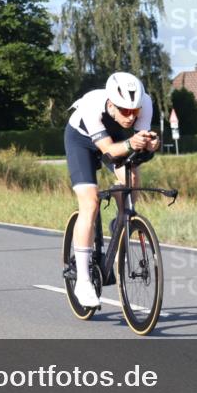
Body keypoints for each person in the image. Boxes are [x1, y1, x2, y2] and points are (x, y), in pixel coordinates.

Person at [64, 72, 161, 307]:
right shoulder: (92, 106)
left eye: (134, 111)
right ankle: (84, 281)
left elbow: (137, 149)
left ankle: (121, 222)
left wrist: (149, 146)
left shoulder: (144, 103)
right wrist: (130, 143)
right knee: (90, 203)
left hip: (113, 137)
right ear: (111, 104)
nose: (130, 117)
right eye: (124, 111)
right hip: (81, 139)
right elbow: (108, 151)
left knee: (132, 176)